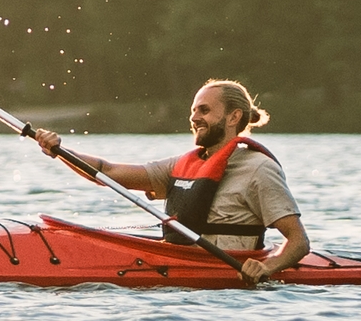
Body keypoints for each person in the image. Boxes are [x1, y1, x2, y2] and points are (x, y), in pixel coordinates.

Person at [27, 78, 310, 283]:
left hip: (222, 284)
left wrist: (268, 267)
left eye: (204, 110)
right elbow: (107, 172)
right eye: (194, 110)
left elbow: (298, 241)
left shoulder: (259, 169)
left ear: (234, 116)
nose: (194, 117)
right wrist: (59, 150)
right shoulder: (182, 165)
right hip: (178, 273)